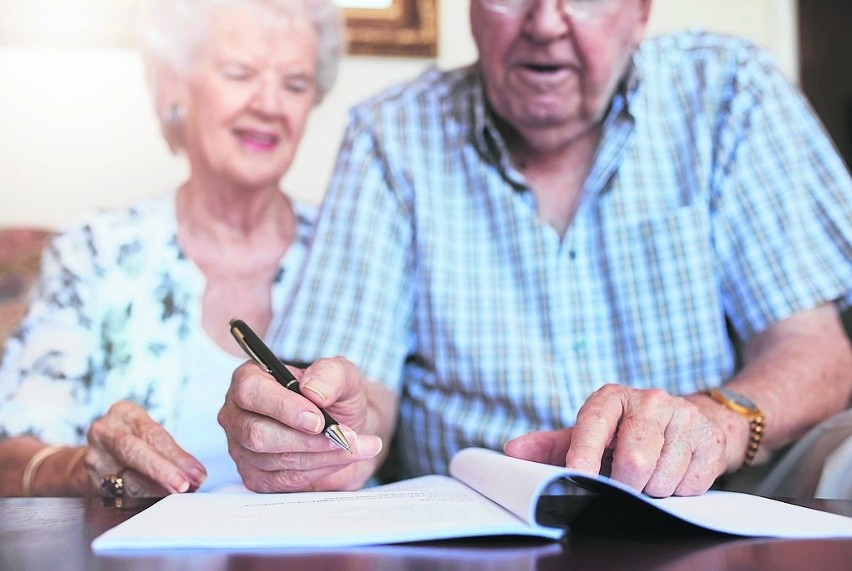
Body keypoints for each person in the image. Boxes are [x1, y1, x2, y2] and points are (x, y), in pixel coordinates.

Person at [219, 0, 852, 497]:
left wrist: (714, 423)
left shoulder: (728, 90)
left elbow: (816, 349)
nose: (545, 22)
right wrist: (320, 431)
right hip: (476, 539)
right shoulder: (391, 134)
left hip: (706, 517)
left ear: (641, 9)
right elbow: (363, 399)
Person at [0, 0, 343, 497]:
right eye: (239, 72)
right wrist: (86, 468)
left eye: (295, 84)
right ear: (174, 86)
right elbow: (11, 458)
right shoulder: (96, 251)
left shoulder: (353, 246)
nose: (270, 105)